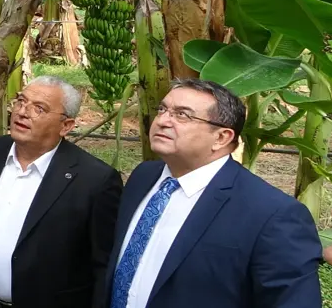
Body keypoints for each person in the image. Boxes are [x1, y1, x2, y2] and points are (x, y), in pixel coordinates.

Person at [104, 78, 322, 308]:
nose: (163, 121)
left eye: (182, 115)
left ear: (221, 137)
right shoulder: (143, 177)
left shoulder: (273, 215)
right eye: (163, 109)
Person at [0, 75, 124, 308]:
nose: (22, 112)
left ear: (66, 126)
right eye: (20, 101)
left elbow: (103, 264)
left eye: (39, 109)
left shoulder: (95, 180)